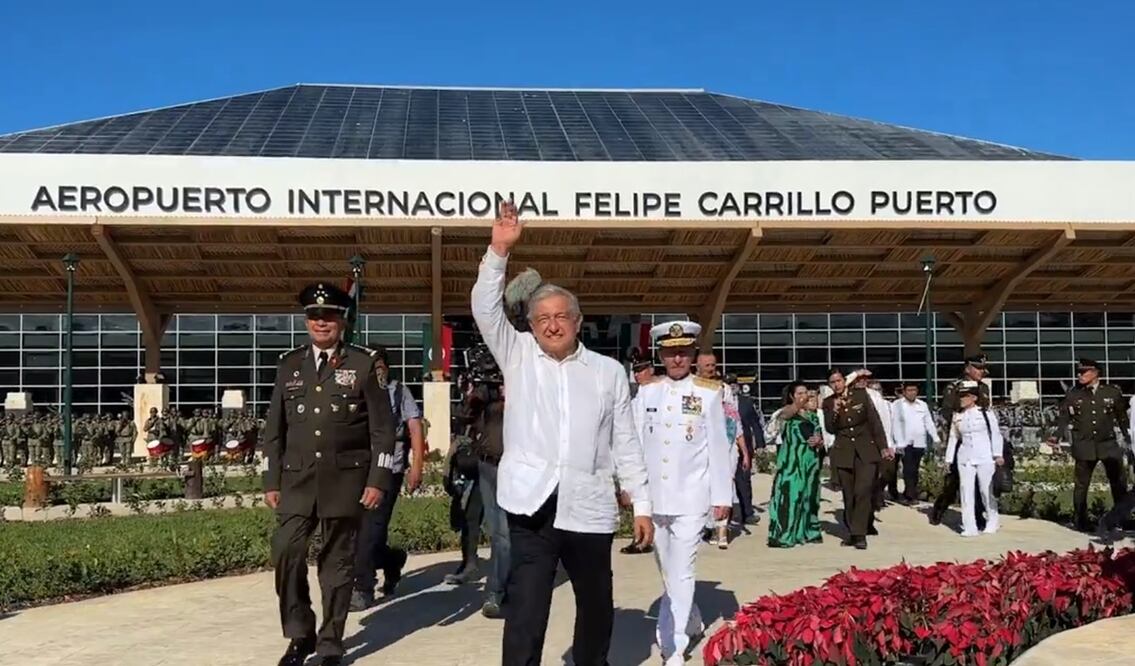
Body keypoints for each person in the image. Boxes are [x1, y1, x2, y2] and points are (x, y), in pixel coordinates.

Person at [471, 200, 653, 666]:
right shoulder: (518, 355)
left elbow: (625, 441)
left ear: (576, 321)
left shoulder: (607, 372)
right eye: (542, 319)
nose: (552, 325)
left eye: (561, 316)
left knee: (596, 604)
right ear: (532, 326)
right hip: (531, 505)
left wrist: (641, 503)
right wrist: (498, 250)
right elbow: (485, 309)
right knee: (527, 607)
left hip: (588, 505)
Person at [262, 282, 397, 666]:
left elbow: (383, 429)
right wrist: (271, 479)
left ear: (342, 320)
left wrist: (377, 479)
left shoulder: (364, 363)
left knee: (336, 566)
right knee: (286, 550)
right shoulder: (289, 364)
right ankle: (299, 632)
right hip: (297, 481)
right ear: (306, 321)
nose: (322, 323)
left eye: (330, 316)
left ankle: (330, 644)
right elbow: (275, 429)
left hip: (344, 482)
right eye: (315, 316)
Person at [632, 321, 732, 666]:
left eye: (684, 352)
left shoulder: (709, 393)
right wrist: (632, 490)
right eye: (670, 353)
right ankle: (690, 617)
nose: (677, 359)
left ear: (693, 355)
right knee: (666, 569)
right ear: (661, 355)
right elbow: (635, 444)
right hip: (655, 498)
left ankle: (673, 645)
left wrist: (722, 497)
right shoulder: (647, 393)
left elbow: (718, 447)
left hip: (691, 496)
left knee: (683, 570)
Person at [351, 347, 426, 610]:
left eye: (380, 365)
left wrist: (417, 466)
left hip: (389, 471)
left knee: (372, 529)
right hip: (358, 470)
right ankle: (392, 559)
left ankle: (363, 587)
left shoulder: (398, 391)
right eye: (372, 367)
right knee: (358, 533)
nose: (377, 371)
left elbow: (415, 427)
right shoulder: (357, 390)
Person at [1049, 358, 1129, 532]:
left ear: (1095, 373)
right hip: (1084, 445)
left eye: (1083, 372)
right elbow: (1064, 418)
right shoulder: (1073, 393)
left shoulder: (1111, 392)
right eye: (1079, 372)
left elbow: (1122, 418)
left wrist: (1128, 439)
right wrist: (1056, 436)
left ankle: (1120, 519)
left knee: (1118, 483)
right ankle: (1081, 521)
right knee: (1081, 485)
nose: (1080, 375)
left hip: (1107, 444)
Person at [821, 368, 891, 550]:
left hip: (866, 450)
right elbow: (829, 428)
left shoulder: (860, 395)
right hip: (844, 452)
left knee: (863, 490)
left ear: (844, 380)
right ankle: (854, 531)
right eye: (832, 382)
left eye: (838, 380)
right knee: (849, 494)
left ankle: (860, 534)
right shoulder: (828, 402)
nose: (836, 385)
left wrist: (883, 446)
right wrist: (834, 412)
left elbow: (874, 421)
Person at [930, 355, 991, 529]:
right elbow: (947, 412)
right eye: (977, 368)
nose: (981, 371)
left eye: (982, 368)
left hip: (979, 440)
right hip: (959, 439)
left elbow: (986, 411)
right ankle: (940, 507)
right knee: (954, 480)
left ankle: (978, 515)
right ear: (967, 369)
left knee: (980, 479)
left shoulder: (983, 387)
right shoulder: (954, 387)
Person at [764, 381, 824, 548]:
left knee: (810, 497)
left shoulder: (813, 416)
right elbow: (775, 426)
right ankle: (785, 535)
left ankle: (807, 531)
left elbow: (820, 438)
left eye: (806, 393)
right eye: (799, 393)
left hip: (810, 462)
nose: (804, 396)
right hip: (792, 463)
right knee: (791, 497)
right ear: (792, 396)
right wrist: (797, 404)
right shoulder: (785, 413)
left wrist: (818, 441)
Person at [945, 381, 1005, 537]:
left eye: (965, 396)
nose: (961, 399)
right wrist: (948, 459)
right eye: (960, 396)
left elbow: (995, 434)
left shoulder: (985, 413)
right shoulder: (958, 415)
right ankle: (969, 526)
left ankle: (992, 520)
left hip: (985, 455)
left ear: (974, 397)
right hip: (965, 457)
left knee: (986, 490)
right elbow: (953, 437)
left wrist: (998, 454)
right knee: (966, 491)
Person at [890, 381, 940, 503]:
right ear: (904, 392)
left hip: (919, 442)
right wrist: (893, 441)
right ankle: (909, 495)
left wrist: (935, 438)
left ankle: (911, 492)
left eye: (914, 390)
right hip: (903, 442)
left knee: (915, 469)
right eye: (909, 390)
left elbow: (928, 422)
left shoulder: (922, 405)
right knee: (908, 469)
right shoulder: (897, 405)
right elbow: (892, 422)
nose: (912, 393)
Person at [734, 378, 764, 527]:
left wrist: (760, 442)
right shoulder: (716, 401)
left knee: (744, 480)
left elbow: (755, 423)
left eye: (734, 384)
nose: (731, 387)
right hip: (723, 448)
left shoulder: (746, 402)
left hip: (744, 446)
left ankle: (748, 513)